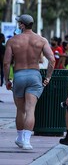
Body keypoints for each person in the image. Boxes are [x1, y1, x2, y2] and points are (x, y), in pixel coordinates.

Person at [3, 14, 55, 150]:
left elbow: (6, 63)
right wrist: (48, 77)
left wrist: (7, 79)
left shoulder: (13, 41)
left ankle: (20, 138)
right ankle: (26, 141)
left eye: (19, 23)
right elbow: (52, 60)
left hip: (19, 76)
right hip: (34, 76)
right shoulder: (41, 40)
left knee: (20, 110)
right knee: (30, 109)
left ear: (22, 25)